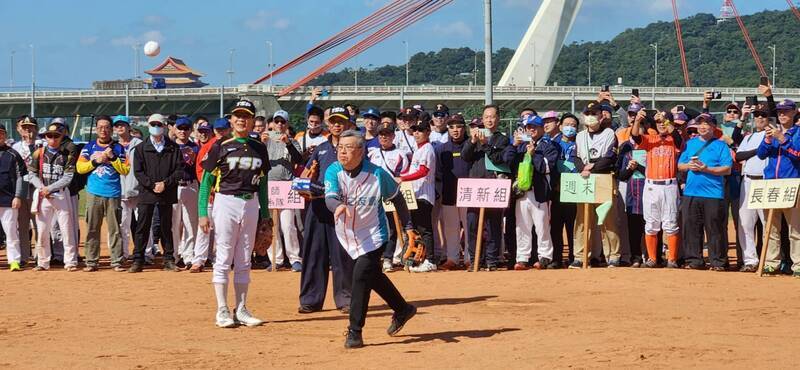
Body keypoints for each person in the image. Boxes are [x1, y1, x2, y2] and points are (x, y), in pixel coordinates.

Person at [324, 130, 418, 349]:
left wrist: (409, 228)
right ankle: (403, 309)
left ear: (361, 151)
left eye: (348, 148)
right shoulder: (333, 170)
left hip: (374, 236)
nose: (342, 152)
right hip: (347, 235)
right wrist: (337, 206)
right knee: (372, 276)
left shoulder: (377, 174)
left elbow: (398, 199)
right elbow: (330, 197)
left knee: (360, 278)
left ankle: (355, 331)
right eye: (340, 147)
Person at [198, 99, 270, 327]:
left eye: (246, 116)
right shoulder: (220, 145)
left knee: (244, 257)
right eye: (238, 115)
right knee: (224, 255)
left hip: (250, 203)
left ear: (252, 121)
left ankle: (241, 308)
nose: (242, 119)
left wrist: (266, 215)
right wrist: (202, 212)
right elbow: (207, 180)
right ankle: (221, 310)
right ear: (231, 120)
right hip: (226, 201)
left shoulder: (260, 148)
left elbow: (263, 184)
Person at [298, 106, 354, 314]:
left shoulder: (355, 148)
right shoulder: (320, 148)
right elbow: (305, 174)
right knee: (314, 253)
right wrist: (304, 184)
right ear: (328, 124)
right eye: (333, 121)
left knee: (343, 255)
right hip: (318, 206)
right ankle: (310, 300)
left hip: (342, 207)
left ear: (348, 123)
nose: (337, 125)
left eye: (341, 121)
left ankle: (345, 299)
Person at [128, 114, 184, 273]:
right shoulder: (140, 148)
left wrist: (165, 184)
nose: (156, 126)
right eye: (153, 123)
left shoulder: (174, 148)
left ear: (165, 125)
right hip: (147, 192)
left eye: (159, 123)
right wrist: (152, 185)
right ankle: (138, 259)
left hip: (167, 192)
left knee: (167, 227)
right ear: (148, 125)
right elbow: (138, 172)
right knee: (142, 226)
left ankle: (169, 259)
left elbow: (179, 170)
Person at [503, 114, 559, 270]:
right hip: (522, 192)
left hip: (539, 193)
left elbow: (546, 168)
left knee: (542, 227)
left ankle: (545, 256)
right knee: (522, 226)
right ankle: (522, 258)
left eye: (534, 127)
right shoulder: (521, 145)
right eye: (528, 127)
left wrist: (534, 155)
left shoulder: (548, 146)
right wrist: (514, 144)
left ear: (541, 128)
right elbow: (507, 161)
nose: (531, 130)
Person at [570, 103, 623, 268]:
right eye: (588, 113)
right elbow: (576, 157)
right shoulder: (580, 136)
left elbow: (609, 157)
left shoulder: (609, 134)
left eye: (594, 113)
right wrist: (583, 168)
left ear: (602, 116)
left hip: (603, 178)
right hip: (584, 178)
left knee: (608, 219)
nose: (591, 116)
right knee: (582, 220)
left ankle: (613, 255)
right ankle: (580, 256)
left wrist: (592, 167)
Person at [678, 113, 733, 270]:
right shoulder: (690, 144)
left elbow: (727, 169)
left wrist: (706, 169)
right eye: (700, 123)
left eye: (706, 123)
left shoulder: (721, 145)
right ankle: (694, 260)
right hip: (691, 193)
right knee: (692, 228)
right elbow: (680, 165)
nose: (702, 126)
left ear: (713, 127)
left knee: (715, 229)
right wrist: (689, 166)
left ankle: (718, 262)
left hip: (713, 194)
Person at [630, 110, 683, 268]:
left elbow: (680, 141)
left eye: (665, 121)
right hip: (652, 185)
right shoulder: (649, 139)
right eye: (659, 122)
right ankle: (652, 258)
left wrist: (666, 122)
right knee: (651, 223)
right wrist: (638, 120)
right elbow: (635, 137)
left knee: (671, 223)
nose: (661, 124)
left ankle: (672, 259)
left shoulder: (674, 139)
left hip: (669, 185)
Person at [756, 87, 800, 277]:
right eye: (780, 112)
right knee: (771, 228)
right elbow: (760, 154)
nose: (782, 115)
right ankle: (771, 262)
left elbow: (798, 155)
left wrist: (783, 140)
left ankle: (798, 264)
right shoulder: (772, 131)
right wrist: (767, 140)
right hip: (771, 184)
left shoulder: (797, 133)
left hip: (792, 183)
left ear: (794, 113)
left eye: (786, 111)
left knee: (795, 229)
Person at [76, 115, 129, 272]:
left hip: (113, 193)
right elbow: (80, 168)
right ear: (96, 129)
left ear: (111, 130)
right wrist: (95, 161)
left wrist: (112, 158)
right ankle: (91, 261)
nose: (103, 130)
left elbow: (125, 170)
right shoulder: (89, 147)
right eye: (100, 127)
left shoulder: (119, 148)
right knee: (92, 228)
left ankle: (116, 261)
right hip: (93, 192)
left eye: (106, 127)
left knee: (114, 229)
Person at [461, 104, 509, 270]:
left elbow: (499, 159)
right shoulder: (475, 136)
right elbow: (465, 156)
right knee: (473, 224)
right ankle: (475, 259)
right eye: (486, 117)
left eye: (493, 116)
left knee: (493, 225)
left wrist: (486, 144)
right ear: (482, 119)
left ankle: (491, 260)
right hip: (475, 187)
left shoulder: (501, 139)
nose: (489, 119)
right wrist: (473, 141)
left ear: (498, 119)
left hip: (493, 186)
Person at [28, 123, 78, 271]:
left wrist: (49, 188)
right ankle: (43, 262)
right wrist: (42, 188)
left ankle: (70, 261)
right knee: (42, 230)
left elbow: (68, 177)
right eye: (49, 136)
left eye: (57, 136)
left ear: (62, 137)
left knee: (66, 230)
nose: (53, 138)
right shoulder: (39, 153)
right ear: (45, 137)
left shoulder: (67, 153)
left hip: (61, 194)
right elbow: (31, 174)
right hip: (43, 195)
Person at [265, 109, 304, 272]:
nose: (279, 124)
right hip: (269, 186)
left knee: (288, 225)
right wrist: (261, 143)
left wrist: (288, 143)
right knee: (272, 225)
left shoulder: (293, 141)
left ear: (287, 124)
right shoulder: (265, 140)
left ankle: (294, 258)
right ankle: (276, 259)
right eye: (277, 121)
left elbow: (299, 160)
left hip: (287, 185)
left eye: (283, 122)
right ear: (272, 123)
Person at [367, 124, 409, 271]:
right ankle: (373, 258)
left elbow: (401, 176)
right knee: (372, 227)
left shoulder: (400, 154)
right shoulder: (371, 152)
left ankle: (388, 258)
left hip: (391, 195)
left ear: (393, 136)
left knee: (391, 228)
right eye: (381, 134)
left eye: (387, 134)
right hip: (372, 196)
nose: (384, 137)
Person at [190, 118, 227, 272]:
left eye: (222, 129)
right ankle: (198, 259)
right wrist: (210, 187)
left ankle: (220, 258)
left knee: (223, 229)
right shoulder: (208, 147)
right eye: (218, 130)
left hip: (226, 194)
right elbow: (200, 171)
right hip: (212, 193)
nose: (220, 133)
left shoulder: (232, 144)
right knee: (204, 227)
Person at [400, 120, 437, 272]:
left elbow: (423, 171)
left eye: (420, 130)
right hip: (415, 195)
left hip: (424, 195)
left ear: (428, 132)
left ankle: (430, 260)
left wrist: (402, 178)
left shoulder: (427, 148)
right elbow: (412, 171)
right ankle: (419, 259)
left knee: (424, 229)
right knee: (416, 229)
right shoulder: (419, 149)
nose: (416, 133)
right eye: (415, 130)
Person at [436, 114, 472, 270]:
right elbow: (438, 173)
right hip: (449, 195)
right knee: (451, 228)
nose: (455, 130)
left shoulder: (472, 145)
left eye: (458, 126)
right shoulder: (441, 149)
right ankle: (453, 258)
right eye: (451, 127)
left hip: (469, 194)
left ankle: (470, 258)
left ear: (464, 128)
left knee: (469, 227)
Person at [735, 102, 768, 272]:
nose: (760, 118)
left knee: (767, 224)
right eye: (757, 115)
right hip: (747, 181)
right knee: (745, 222)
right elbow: (739, 156)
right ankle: (750, 260)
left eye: (763, 115)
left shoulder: (771, 134)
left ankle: (768, 260)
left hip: (765, 181)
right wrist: (757, 150)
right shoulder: (748, 137)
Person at [549, 113, 579, 268]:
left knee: (572, 227)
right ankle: (557, 258)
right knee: (556, 226)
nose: (570, 128)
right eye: (567, 124)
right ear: (560, 126)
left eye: (573, 125)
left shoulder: (579, 144)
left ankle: (574, 257)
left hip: (575, 191)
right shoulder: (553, 144)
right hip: (557, 190)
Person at [172, 117, 200, 269]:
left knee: (191, 222)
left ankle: (189, 255)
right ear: (175, 130)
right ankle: (175, 254)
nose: (183, 131)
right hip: (174, 187)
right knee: (173, 223)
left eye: (186, 128)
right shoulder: (169, 147)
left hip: (190, 185)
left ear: (190, 130)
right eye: (180, 128)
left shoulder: (195, 147)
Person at [113, 115, 142, 261]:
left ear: (128, 127)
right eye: (117, 125)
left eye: (122, 124)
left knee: (143, 223)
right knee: (122, 225)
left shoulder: (139, 144)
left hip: (137, 189)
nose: (120, 127)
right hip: (120, 191)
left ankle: (146, 254)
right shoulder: (112, 146)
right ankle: (123, 253)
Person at [11, 116, 39, 264]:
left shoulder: (42, 144)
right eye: (25, 127)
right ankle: (23, 256)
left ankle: (40, 255)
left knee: (39, 223)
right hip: (22, 189)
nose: (28, 130)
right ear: (21, 129)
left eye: (31, 127)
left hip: (38, 188)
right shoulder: (15, 147)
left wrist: (32, 145)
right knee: (22, 224)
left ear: (36, 128)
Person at [0, 124, 27, 271]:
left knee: (11, 231)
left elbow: (19, 177)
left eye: (1, 133)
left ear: (5, 135)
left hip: (8, 199)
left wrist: (18, 196)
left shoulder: (13, 154)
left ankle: (14, 261)